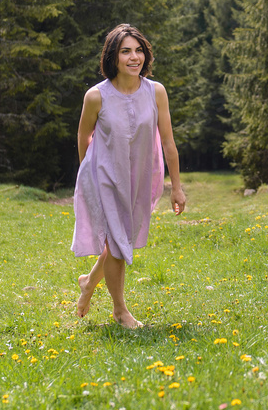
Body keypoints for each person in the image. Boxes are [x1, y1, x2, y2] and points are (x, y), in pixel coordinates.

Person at [70, 24, 186, 329]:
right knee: (119, 244)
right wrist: (88, 178)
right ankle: (120, 311)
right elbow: (83, 136)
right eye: (125, 51)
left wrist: (177, 187)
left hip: (141, 178)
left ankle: (88, 282)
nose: (134, 57)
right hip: (105, 177)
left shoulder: (156, 92)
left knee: (120, 240)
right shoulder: (96, 96)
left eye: (138, 50)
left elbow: (168, 142)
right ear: (113, 57)